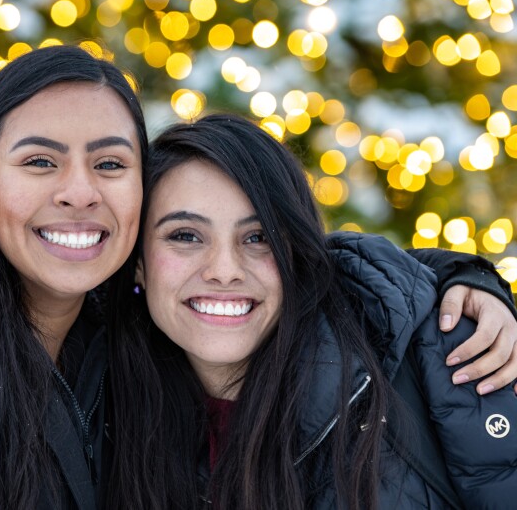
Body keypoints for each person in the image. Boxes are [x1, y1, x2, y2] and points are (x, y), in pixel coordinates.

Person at [0, 47, 515, 510]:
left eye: (109, 161)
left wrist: (462, 278)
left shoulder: (125, 354)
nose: (78, 191)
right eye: (39, 160)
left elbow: (334, 268)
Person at [107, 113, 517, 509]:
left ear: (296, 252)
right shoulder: (102, 396)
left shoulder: (446, 352)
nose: (224, 271)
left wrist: (470, 276)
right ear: (138, 257)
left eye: (258, 237)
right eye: (185, 236)